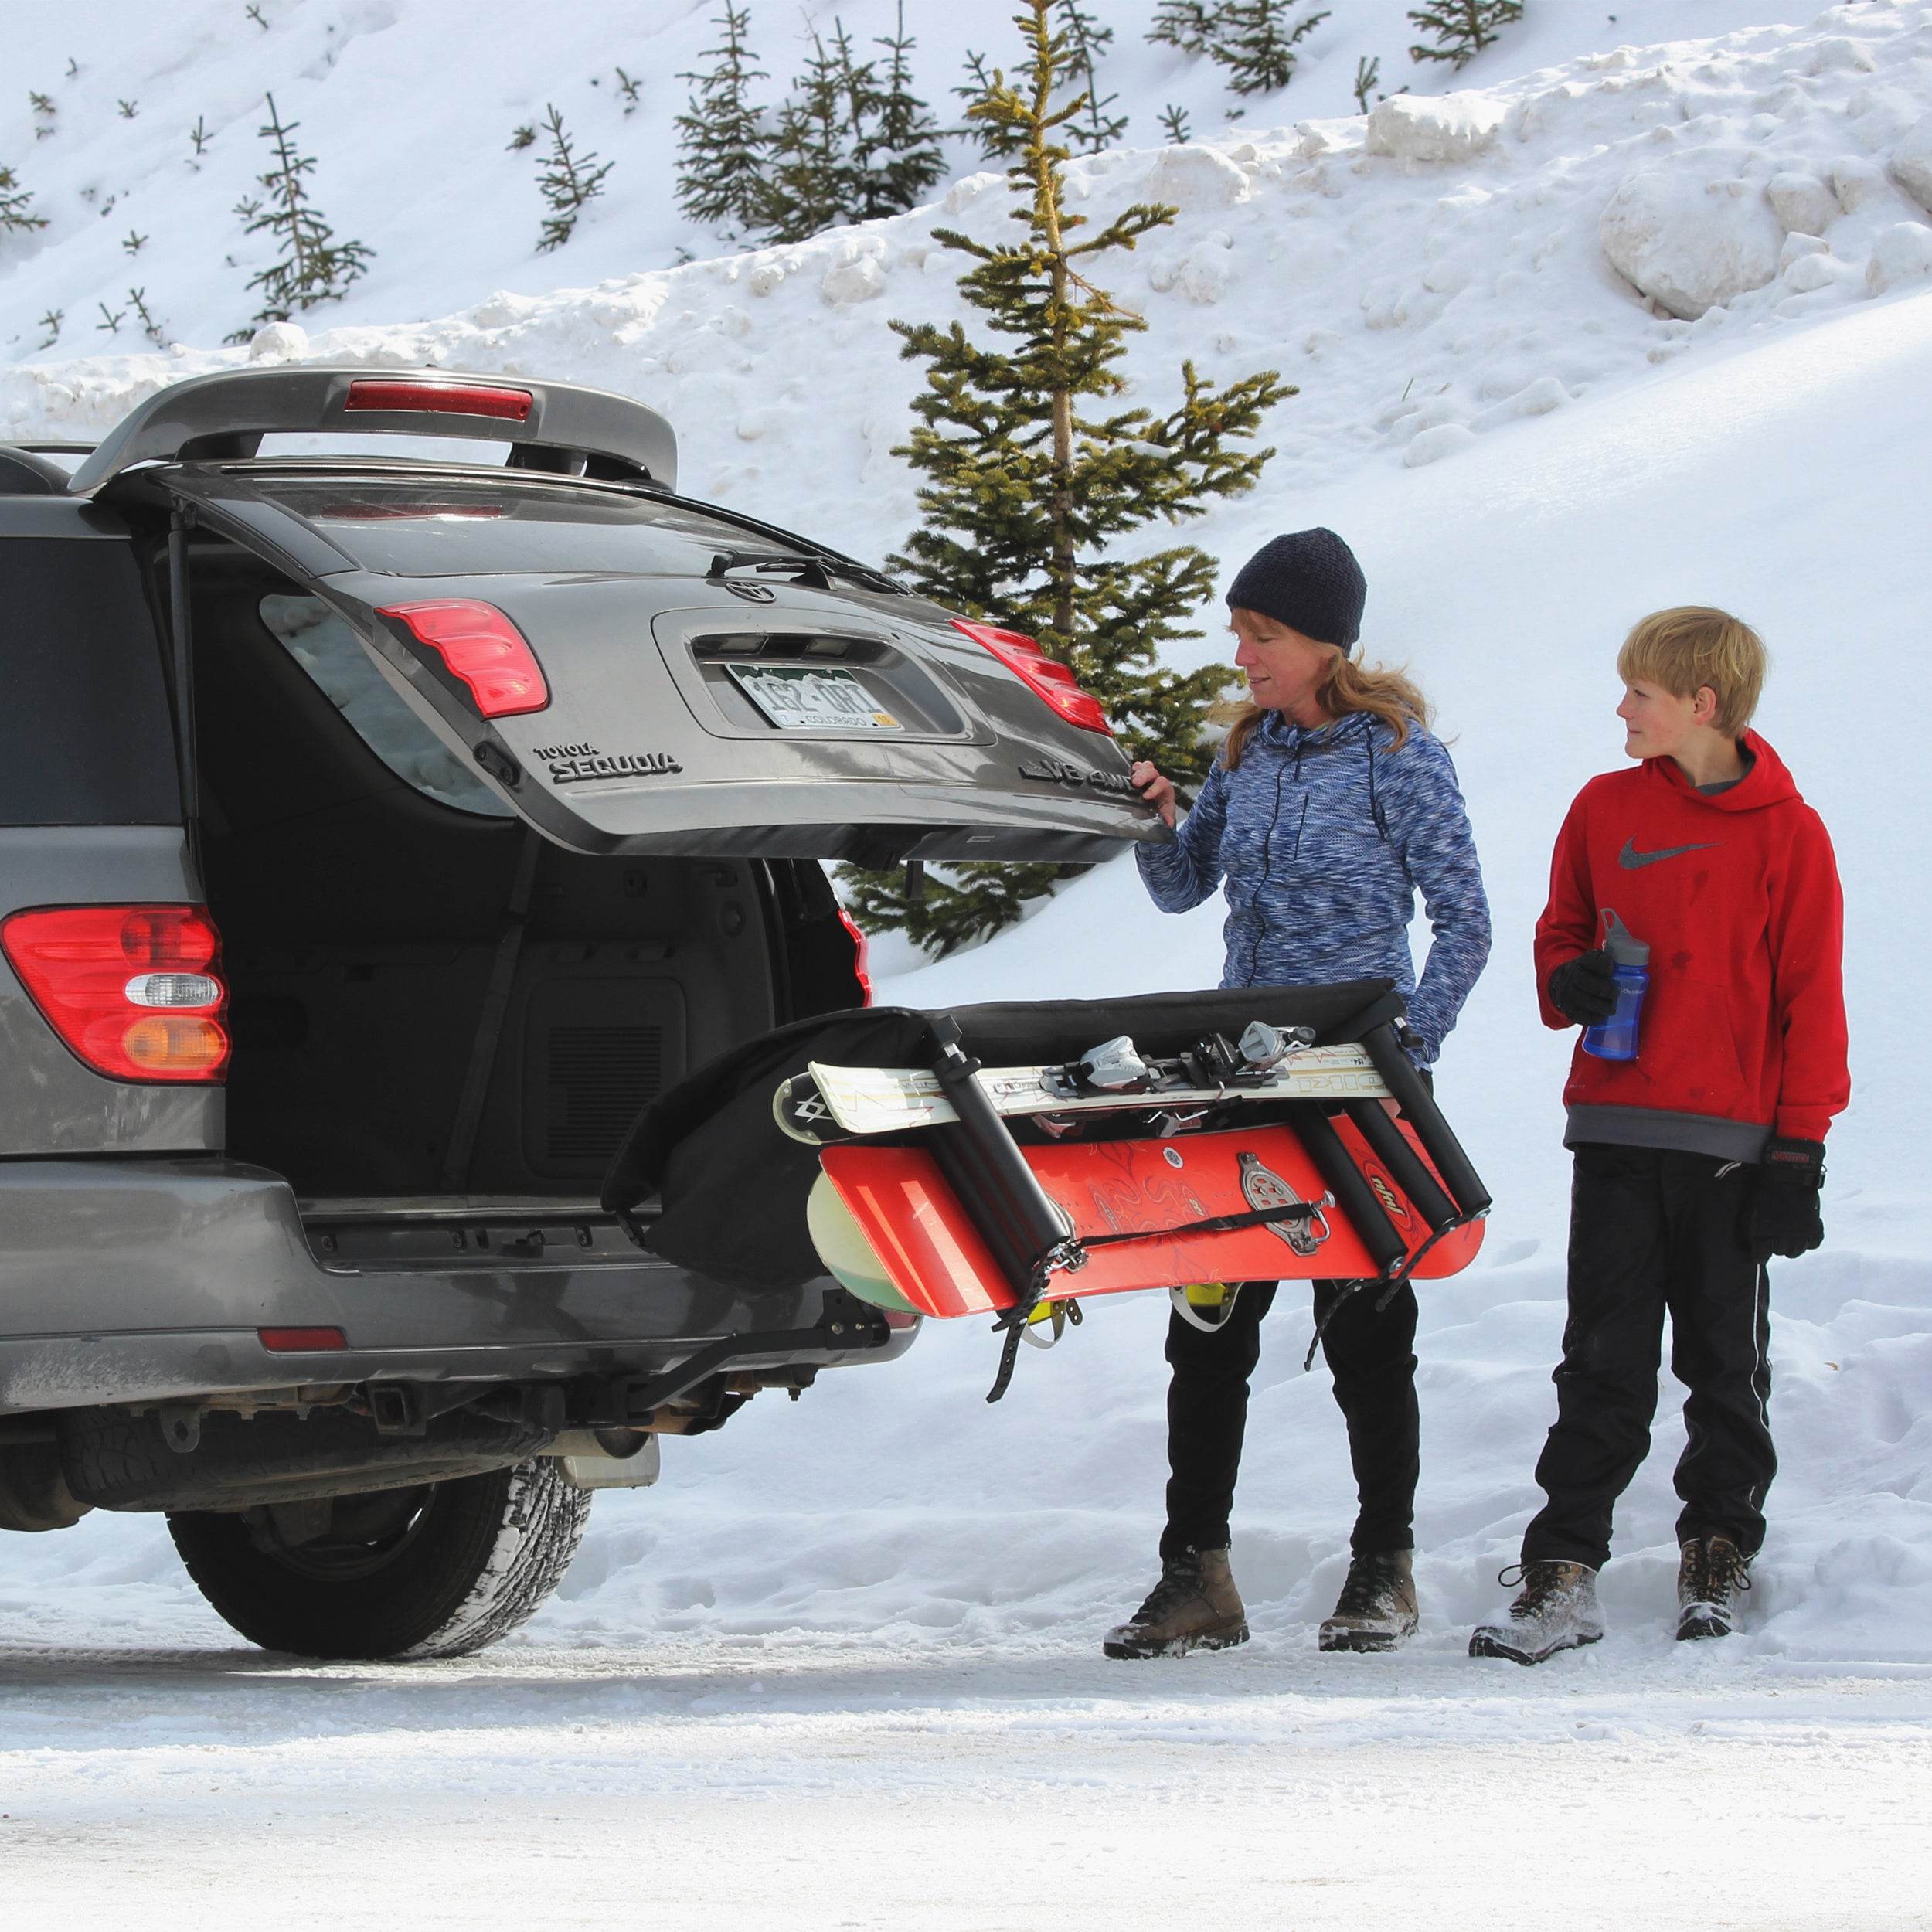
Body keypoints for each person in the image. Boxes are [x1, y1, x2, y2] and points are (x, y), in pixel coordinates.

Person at [1104, 526, 1491, 1661]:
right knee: (1208, 1329)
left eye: (1264, 636)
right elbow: (1185, 889)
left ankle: (1384, 1563)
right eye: (1240, 632)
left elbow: (1463, 917)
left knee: (1366, 1325)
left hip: (1358, 1077)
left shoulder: (1399, 755)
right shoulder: (1250, 753)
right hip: (1239, 1076)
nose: (1246, 655)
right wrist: (1154, 816)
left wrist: (1412, 1045)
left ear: (1327, 643)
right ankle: (1196, 1576)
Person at [1469, 607, 1848, 1665]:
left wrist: (1800, 1152)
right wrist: (1567, 980)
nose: (1622, 709)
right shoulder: (1602, 807)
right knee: (1602, 1358)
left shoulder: (1789, 832)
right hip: (1616, 1129)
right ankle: (1563, 1573)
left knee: (1724, 1363)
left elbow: (1812, 998)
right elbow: (1563, 932)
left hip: (1731, 1140)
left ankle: (1719, 1547)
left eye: (1640, 693)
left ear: (1703, 705)